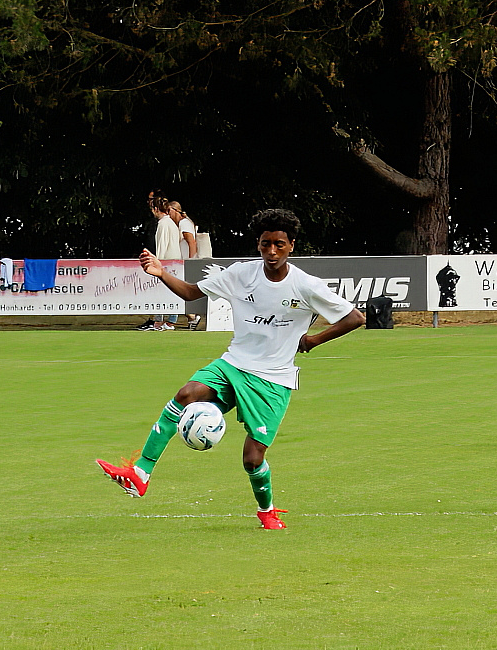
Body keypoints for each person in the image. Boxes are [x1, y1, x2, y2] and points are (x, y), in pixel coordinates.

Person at [97, 208, 365, 529]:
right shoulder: (241, 274)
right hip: (233, 364)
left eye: (279, 244)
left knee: (252, 459)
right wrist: (161, 273)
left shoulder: (306, 285)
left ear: (291, 245)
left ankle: (266, 511)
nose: (272, 251)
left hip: (273, 380)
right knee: (187, 394)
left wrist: (312, 340)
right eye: (266, 244)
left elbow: (355, 318)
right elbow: (192, 293)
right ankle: (140, 473)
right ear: (258, 244)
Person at [148, 196, 182, 331]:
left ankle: (161, 321)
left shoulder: (163, 223)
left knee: (162, 292)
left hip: (167, 262)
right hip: (174, 261)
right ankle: (168, 321)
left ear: (156, 209)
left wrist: (157, 264)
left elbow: (162, 245)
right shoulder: (171, 223)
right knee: (172, 291)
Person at [167, 200, 201, 331]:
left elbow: (192, 242)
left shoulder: (184, 223)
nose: (168, 214)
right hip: (183, 262)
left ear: (175, 210)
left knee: (179, 290)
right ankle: (191, 317)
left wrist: (190, 261)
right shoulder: (183, 223)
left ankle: (190, 317)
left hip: (185, 263)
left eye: (169, 211)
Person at [134, 188, 166, 330]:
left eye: (151, 199)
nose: (149, 203)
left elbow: (162, 244)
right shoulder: (158, 222)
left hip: (159, 260)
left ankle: (158, 321)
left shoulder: (163, 222)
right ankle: (156, 320)